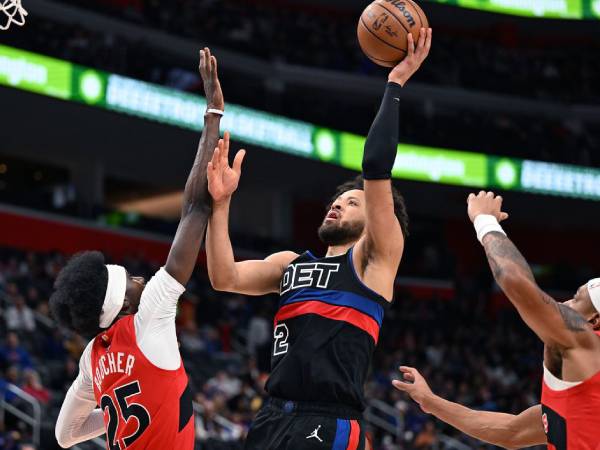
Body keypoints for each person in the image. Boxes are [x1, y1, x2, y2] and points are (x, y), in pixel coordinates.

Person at [206, 29, 432, 450]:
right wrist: (220, 205)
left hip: (328, 422)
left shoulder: (373, 261)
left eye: (352, 202)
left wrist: (396, 82)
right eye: (338, 200)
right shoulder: (292, 264)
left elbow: (376, 165)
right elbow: (224, 276)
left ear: (376, 222)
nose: (338, 205)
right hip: (271, 416)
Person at [50, 48, 224, 449]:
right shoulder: (150, 316)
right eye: (129, 280)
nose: (141, 277)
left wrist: (111, 418)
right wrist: (212, 115)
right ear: (124, 307)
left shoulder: (93, 356)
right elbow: (195, 206)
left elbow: (65, 436)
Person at [393, 191, 600, 449]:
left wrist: (484, 220)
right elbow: (510, 433)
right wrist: (431, 402)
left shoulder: (585, 343)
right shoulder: (582, 397)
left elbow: (516, 282)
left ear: (595, 320)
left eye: (577, 298)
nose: (565, 303)